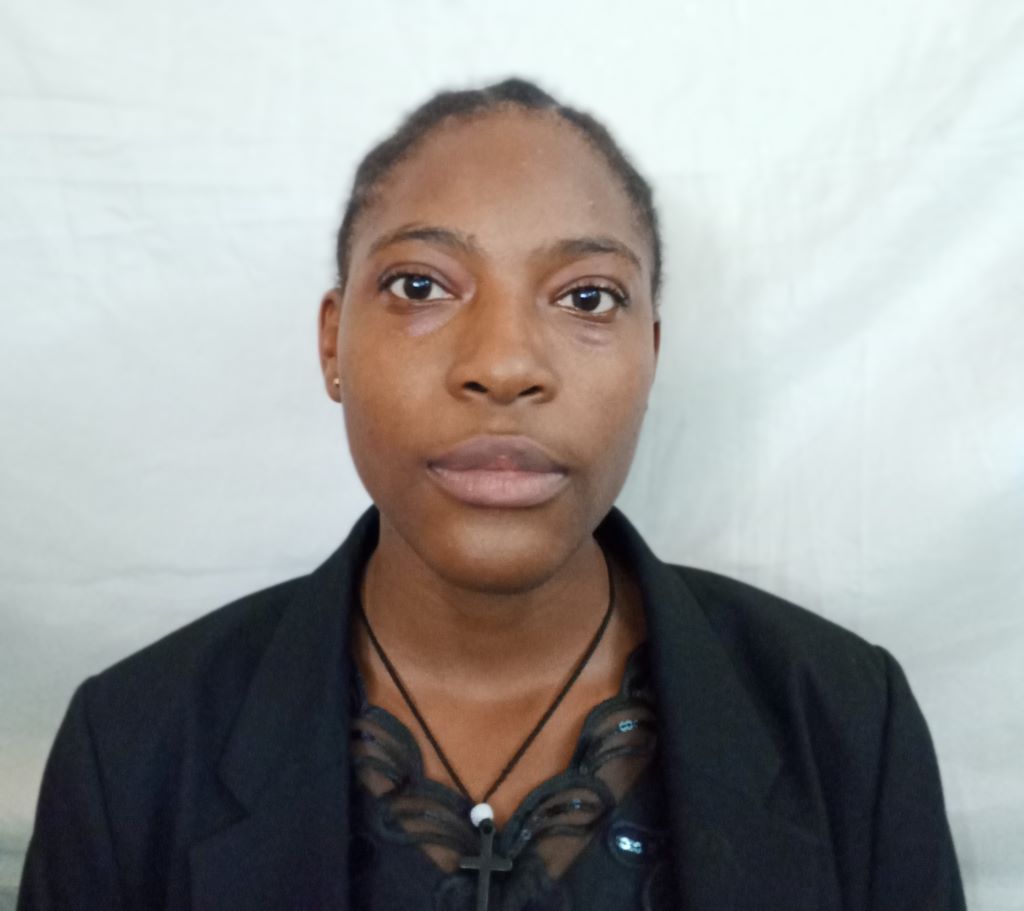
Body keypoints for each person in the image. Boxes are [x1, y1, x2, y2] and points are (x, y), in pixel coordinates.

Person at [17, 79, 965, 911]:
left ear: (651, 355)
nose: (505, 365)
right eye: (421, 285)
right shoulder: (131, 746)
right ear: (333, 343)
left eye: (587, 297)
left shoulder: (849, 722)